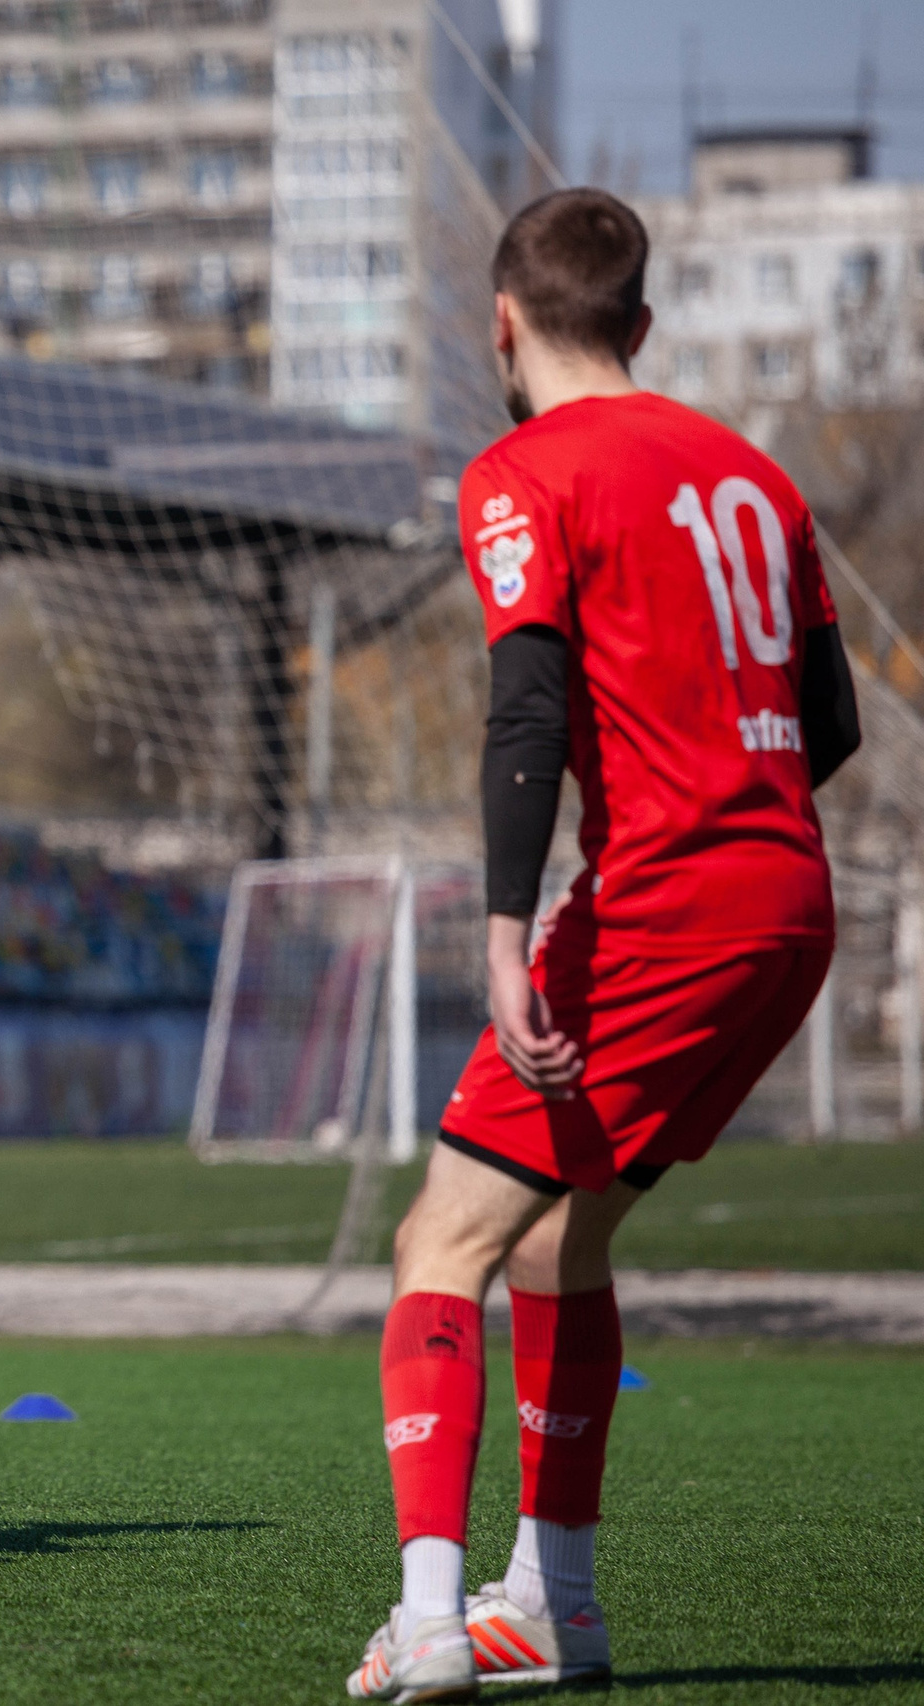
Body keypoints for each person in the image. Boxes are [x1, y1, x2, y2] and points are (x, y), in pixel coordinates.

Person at [345, 189, 861, 1701]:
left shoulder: (525, 469)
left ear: (500, 323)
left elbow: (523, 706)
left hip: (664, 905)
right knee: (556, 1238)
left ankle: (428, 1619)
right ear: (642, 324)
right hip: (788, 903)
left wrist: (508, 931)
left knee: (439, 1242)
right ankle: (549, 1603)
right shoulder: (755, 474)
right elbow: (827, 721)